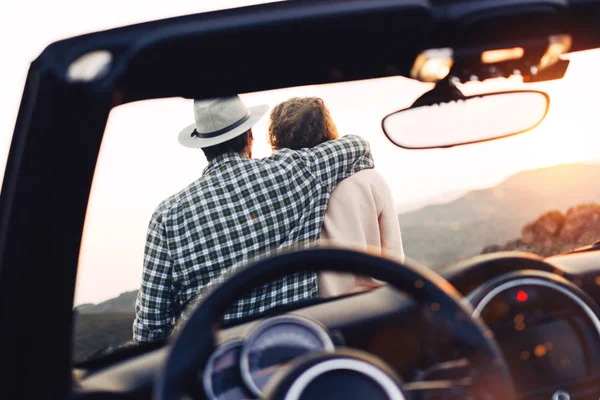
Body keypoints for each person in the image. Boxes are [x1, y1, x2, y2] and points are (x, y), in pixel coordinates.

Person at [133, 95, 374, 342]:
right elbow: (357, 146)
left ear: (203, 147)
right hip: (294, 344)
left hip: (210, 363)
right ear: (250, 135)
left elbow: (151, 328)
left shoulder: (167, 216)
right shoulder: (294, 171)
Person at [268, 97, 404, 297]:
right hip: (375, 304)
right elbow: (394, 256)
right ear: (327, 126)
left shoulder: (283, 191)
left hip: (321, 311)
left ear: (278, 136)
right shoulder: (370, 180)